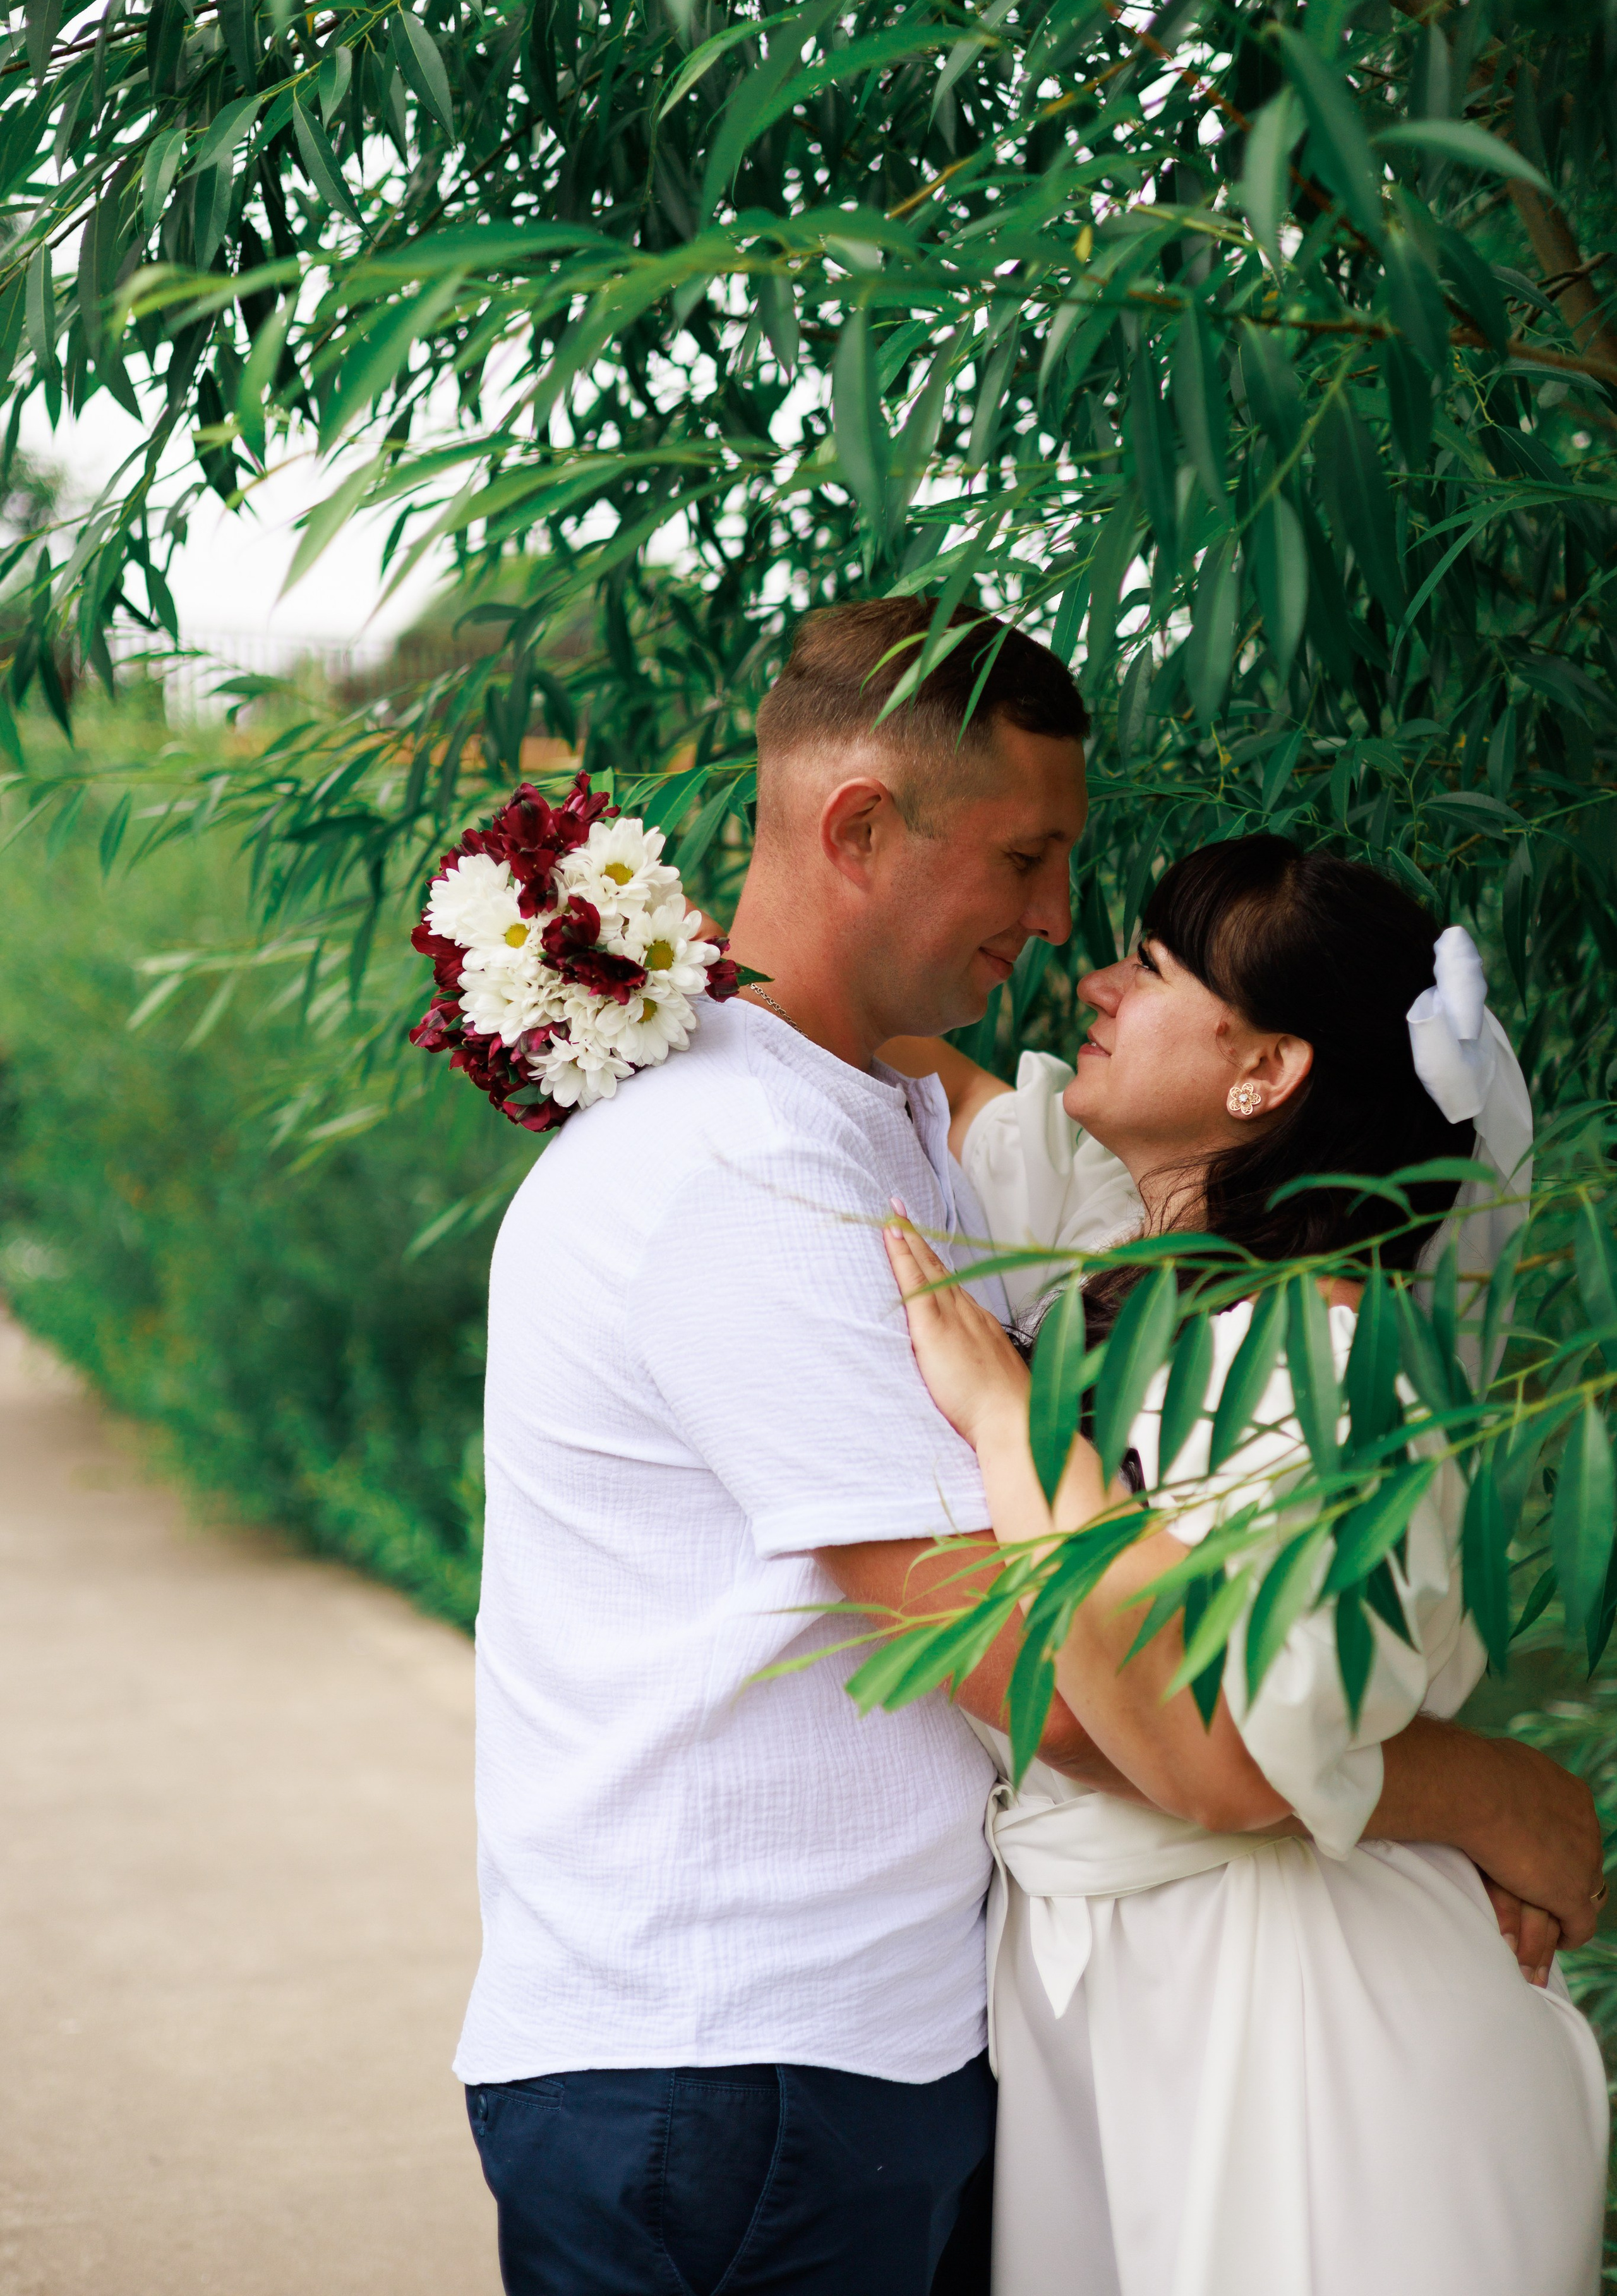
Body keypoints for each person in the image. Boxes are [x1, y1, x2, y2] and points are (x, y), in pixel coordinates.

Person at [457, 599, 1602, 2296]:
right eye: (1032, 859)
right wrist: (1492, 1789)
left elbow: (943, 1080)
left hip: (945, 2041)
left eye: (1129, 938)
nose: (1066, 930)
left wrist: (674, 963)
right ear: (863, 828)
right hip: (749, 2066)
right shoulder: (757, 1173)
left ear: (1269, 1071)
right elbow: (1111, 1711)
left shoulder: (898, 1143)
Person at [883, 836, 1609, 2296]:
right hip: (1111, 1984)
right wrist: (615, 958)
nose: (1092, 983)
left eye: (1148, 968)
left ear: (1264, 1074)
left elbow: (1224, 1759)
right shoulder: (1134, 1266)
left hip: (1300, 2004)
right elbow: (892, 1050)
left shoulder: (1339, 1373)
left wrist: (1009, 1422)